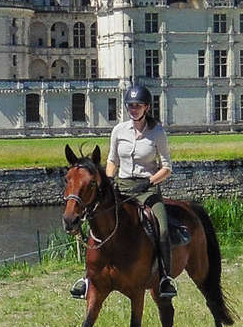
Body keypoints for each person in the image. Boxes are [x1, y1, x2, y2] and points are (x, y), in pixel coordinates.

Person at [72, 82, 176, 300]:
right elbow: (112, 160)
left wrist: (149, 182)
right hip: (122, 187)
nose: (133, 109)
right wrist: (109, 180)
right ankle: (87, 277)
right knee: (95, 222)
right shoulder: (119, 131)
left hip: (147, 190)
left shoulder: (157, 132)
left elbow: (167, 167)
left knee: (163, 229)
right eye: (130, 105)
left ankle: (165, 277)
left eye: (137, 106)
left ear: (147, 107)